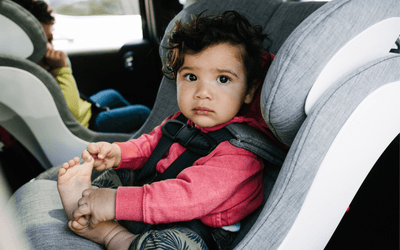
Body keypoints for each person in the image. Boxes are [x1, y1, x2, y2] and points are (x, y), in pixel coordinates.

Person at [57, 10, 275, 250]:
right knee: (121, 172)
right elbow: (150, 145)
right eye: (191, 76)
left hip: (194, 227)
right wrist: (119, 153)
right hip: (153, 197)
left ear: (249, 91)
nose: (202, 92)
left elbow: (187, 198)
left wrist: (118, 202)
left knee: (175, 246)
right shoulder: (180, 121)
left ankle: (114, 236)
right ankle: (84, 201)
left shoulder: (241, 156)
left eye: (223, 79)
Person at [12, 0, 151, 133]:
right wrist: (62, 71)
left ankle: (134, 134)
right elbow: (71, 114)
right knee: (142, 112)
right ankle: (156, 146)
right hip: (87, 126)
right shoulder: (31, 77)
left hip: (86, 109)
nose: (50, 47)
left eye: (50, 39)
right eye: (45, 41)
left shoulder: (41, 67)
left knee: (111, 94)